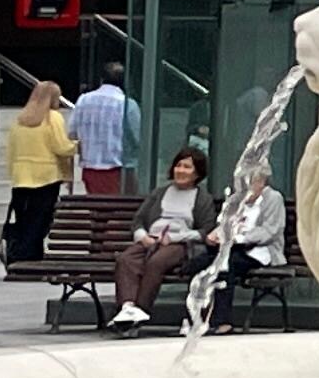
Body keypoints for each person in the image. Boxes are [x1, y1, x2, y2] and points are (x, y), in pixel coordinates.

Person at [108, 149, 217, 329]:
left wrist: (175, 237)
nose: (181, 170)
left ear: (197, 173)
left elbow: (205, 231)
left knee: (157, 262)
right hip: (151, 239)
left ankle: (141, 310)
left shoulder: (202, 198)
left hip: (179, 244)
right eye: (178, 165)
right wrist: (142, 236)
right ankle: (127, 307)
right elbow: (138, 220)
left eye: (187, 167)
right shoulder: (160, 192)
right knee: (126, 259)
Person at [1, 77, 76, 264]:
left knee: (23, 220)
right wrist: (77, 146)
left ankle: (20, 257)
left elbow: (11, 151)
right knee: (40, 221)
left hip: (21, 177)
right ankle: (32, 257)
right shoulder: (53, 118)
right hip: (46, 177)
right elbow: (61, 147)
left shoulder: (20, 120)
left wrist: (14, 173)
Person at [69, 63, 139, 196]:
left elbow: (72, 133)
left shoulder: (83, 100)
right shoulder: (127, 104)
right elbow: (137, 137)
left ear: (101, 79)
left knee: (97, 205)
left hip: (89, 166)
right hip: (118, 167)